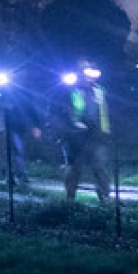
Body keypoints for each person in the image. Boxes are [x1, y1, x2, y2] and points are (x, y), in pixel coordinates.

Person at [47, 61, 113, 203]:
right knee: (74, 168)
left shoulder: (99, 90)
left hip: (96, 135)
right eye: (87, 72)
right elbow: (58, 112)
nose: (91, 76)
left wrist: (105, 132)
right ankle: (70, 198)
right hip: (75, 136)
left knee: (99, 166)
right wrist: (64, 130)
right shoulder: (68, 89)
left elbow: (104, 111)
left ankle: (105, 197)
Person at [0, 85, 42, 186]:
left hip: (20, 128)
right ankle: (16, 175)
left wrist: (36, 126)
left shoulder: (23, 99)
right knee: (16, 151)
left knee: (17, 152)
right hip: (11, 128)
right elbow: (1, 111)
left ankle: (14, 175)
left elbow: (32, 111)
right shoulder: (8, 97)